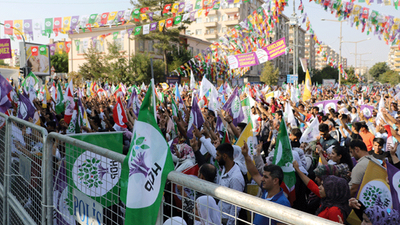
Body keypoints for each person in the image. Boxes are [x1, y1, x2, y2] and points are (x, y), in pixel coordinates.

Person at [241, 141, 290, 225]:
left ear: (275, 181)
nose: (262, 179)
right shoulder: (266, 191)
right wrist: (246, 156)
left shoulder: (283, 203)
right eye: (263, 176)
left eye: (266, 177)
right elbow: (254, 173)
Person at [215, 143, 245, 225]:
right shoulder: (225, 169)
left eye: (218, 155)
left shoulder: (235, 178)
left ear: (224, 156)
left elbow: (236, 206)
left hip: (226, 220)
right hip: (220, 216)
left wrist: (230, 223)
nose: (216, 158)